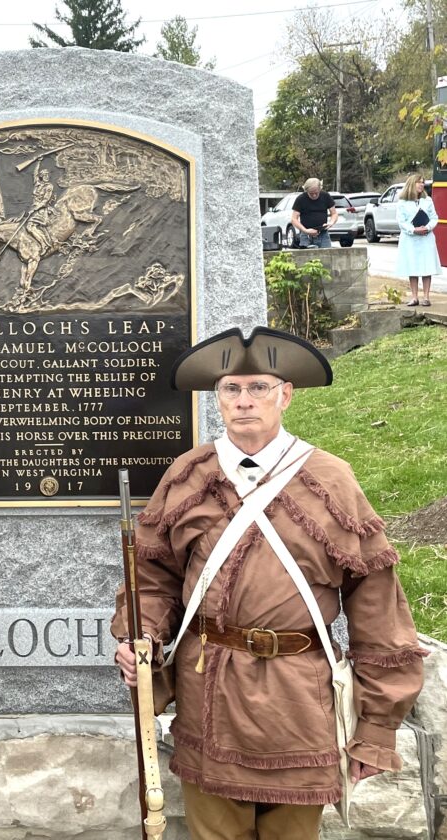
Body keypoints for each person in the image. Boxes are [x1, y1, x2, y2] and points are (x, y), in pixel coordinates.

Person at [113, 326, 425, 840]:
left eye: (258, 387)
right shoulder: (190, 474)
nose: (244, 401)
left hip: (298, 700)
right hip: (208, 689)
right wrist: (141, 634)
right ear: (218, 399)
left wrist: (375, 728)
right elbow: (152, 574)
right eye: (231, 390)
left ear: (286, 395)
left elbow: (377, 606)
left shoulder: (331, 478)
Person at [396, 173, 439, 307]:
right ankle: (414, 297)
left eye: (423, 182)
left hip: (426, 237)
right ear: (412, 184)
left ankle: (426, 297)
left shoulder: (428, 200)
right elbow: (401, 221)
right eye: (419, 182)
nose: (422, 184)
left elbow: (434, 217)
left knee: (427, 266)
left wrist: (427, 227)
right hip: (410, 238)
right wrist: (413, 230)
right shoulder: (402, 202)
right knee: (412, 267)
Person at [291, 177, 338, 248]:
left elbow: (334, 213)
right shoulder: (300, 199)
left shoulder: (325, 196)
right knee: (306, 257)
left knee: (326, 256)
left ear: (320, 189)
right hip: (306, 235)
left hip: (323, 234)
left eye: (316, 193)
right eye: (311, 193)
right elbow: (294, 219)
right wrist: (305, 230)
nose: (314, 195)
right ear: (306, 191)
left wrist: (331, 223)